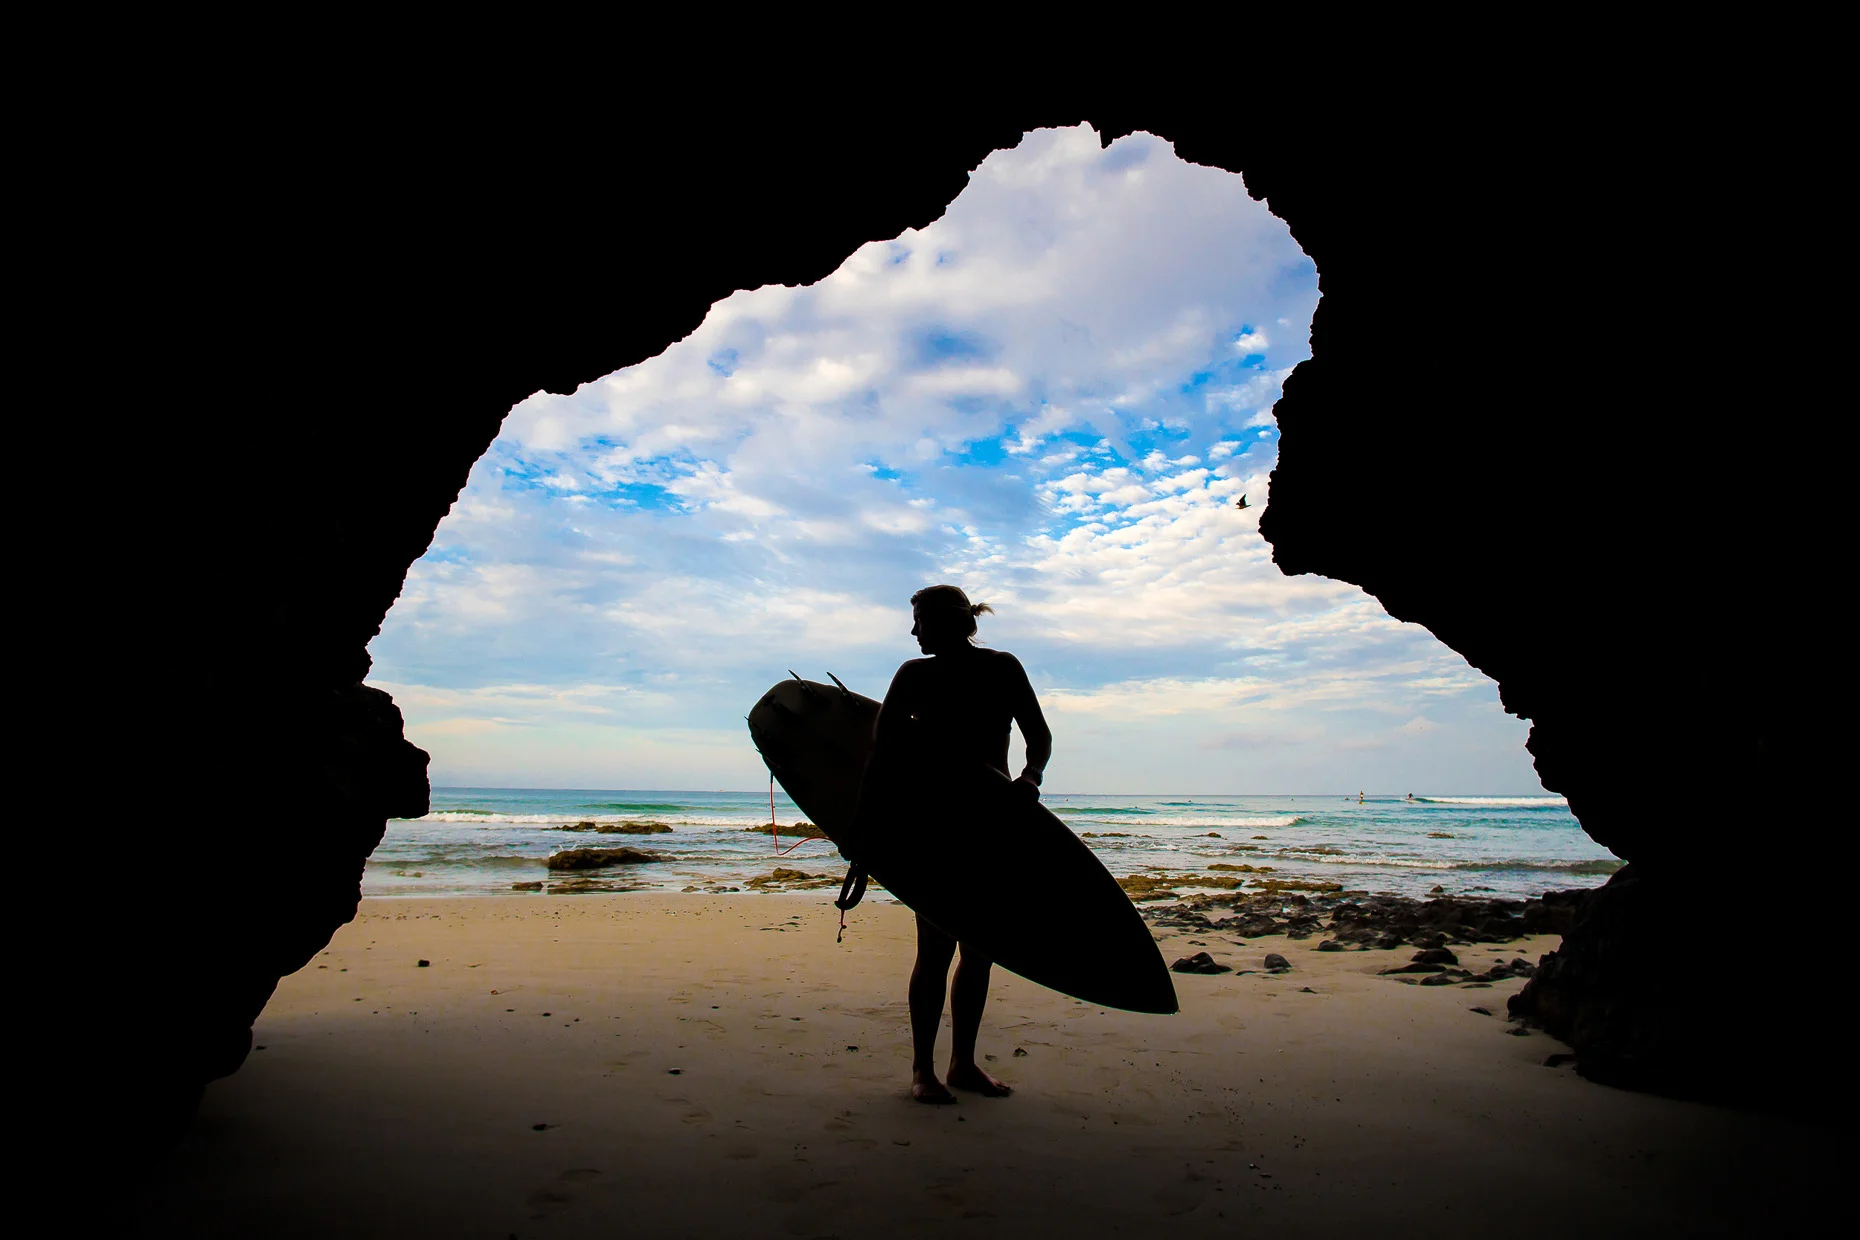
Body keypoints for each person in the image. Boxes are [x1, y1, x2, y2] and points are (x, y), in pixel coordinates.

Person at [852, 584, 1052, 1104]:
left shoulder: (1002, 668)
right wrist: (864, 838)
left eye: (919, 619)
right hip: (934, 828)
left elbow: (1040, 737)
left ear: (947, 622)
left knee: (980, 950)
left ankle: (962, 1063)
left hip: (991, 826)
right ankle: (923, 1071)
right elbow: (881, 757)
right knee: (935, 950)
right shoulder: (914, 676)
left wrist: (1030, 778)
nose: (913, 630)